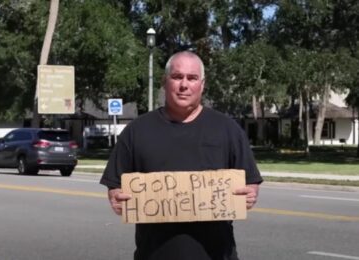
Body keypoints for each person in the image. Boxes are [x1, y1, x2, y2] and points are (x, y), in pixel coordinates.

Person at [100, 51, 263, 260]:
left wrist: (249, 195)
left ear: (202, 84)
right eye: (177, 77)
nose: (184, 85)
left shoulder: (227, 129)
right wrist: (117, 198)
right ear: (165, 82)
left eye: (192, 78)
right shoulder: (137, 131)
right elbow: (116, 185)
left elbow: (250, 182)